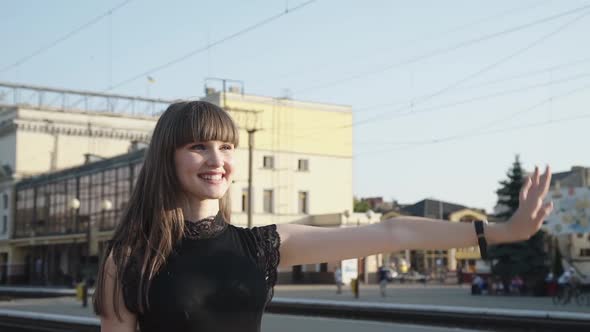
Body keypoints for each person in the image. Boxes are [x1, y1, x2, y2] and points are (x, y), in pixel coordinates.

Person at [92, 100, 554, 332]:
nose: (217, 159)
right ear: (167, 159)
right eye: (199, 146)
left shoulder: (260, 246)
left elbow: (393, 231)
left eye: (227, 147)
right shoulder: (131, 257)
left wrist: (501, 230)